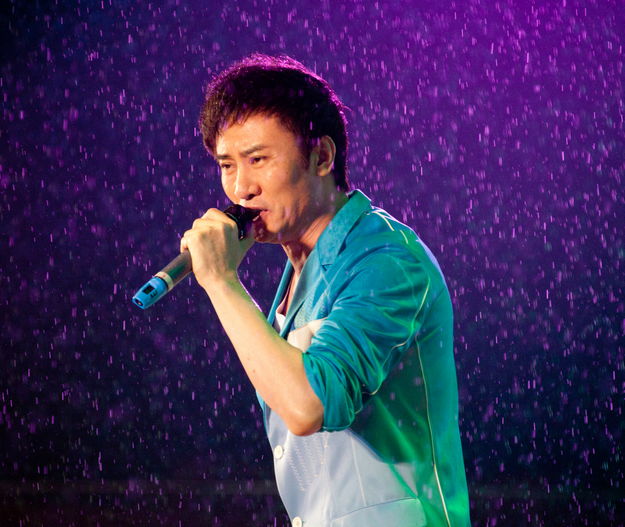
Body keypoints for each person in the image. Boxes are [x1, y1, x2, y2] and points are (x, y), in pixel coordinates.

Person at [179, 54, 470, 527]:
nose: (240, 188)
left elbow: (309, 405)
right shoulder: (299, 269)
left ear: (322, 157)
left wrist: (221, 281)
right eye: (226, 165)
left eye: (258, 160)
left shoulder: (387, 261)